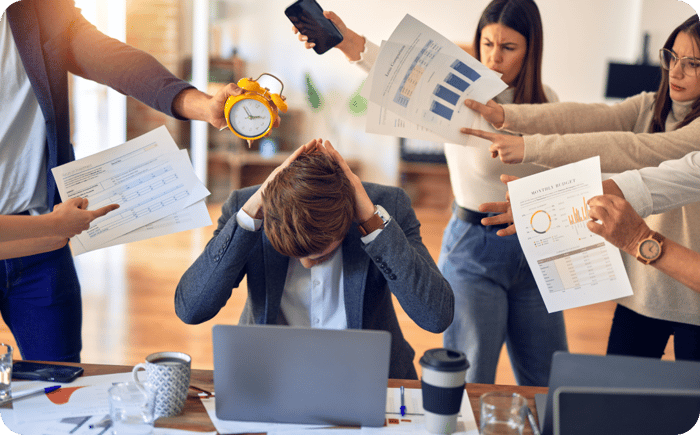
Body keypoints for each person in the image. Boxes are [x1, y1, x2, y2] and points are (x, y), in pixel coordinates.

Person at [293, 0, 567, 386]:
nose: (493, 57)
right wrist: (344, 39)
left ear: (531, 49)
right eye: (487, 44)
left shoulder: (547, 100)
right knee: (470, 377)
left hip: (536, 246)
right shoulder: (460, 94)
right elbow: (390, 68)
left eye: (508, 48)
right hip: (477, 248)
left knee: (548, 377)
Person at [1, 0, 279, 363]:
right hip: (47, 227)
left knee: (61, 380)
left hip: (41, 243)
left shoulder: (37, 8)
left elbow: (113, 59)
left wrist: (205, 105)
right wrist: (55, 225)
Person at [471, 14, 700, 360]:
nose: (676, 72)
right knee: (617, 395)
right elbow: (581, 116)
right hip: (643, 285)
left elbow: (633, 152)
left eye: (693, 64)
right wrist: (508, 117)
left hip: (693, 295)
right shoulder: (651, 106)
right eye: (672, 57)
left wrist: (531, 149)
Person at [175, 139, 454, 379]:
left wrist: (372, 222)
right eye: (297, 255)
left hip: (367, 375)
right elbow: (192, 309)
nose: (307, 263)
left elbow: (435, 316)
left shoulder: (386, 206)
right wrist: (251, 214)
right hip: (270, 374)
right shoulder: (249, 207)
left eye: (320, 252)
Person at [0, 197, 118, 260]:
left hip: (49, 250)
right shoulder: (54, 226)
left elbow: (55, 241)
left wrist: (54, 233)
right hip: (46, 225)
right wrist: (55, 223)